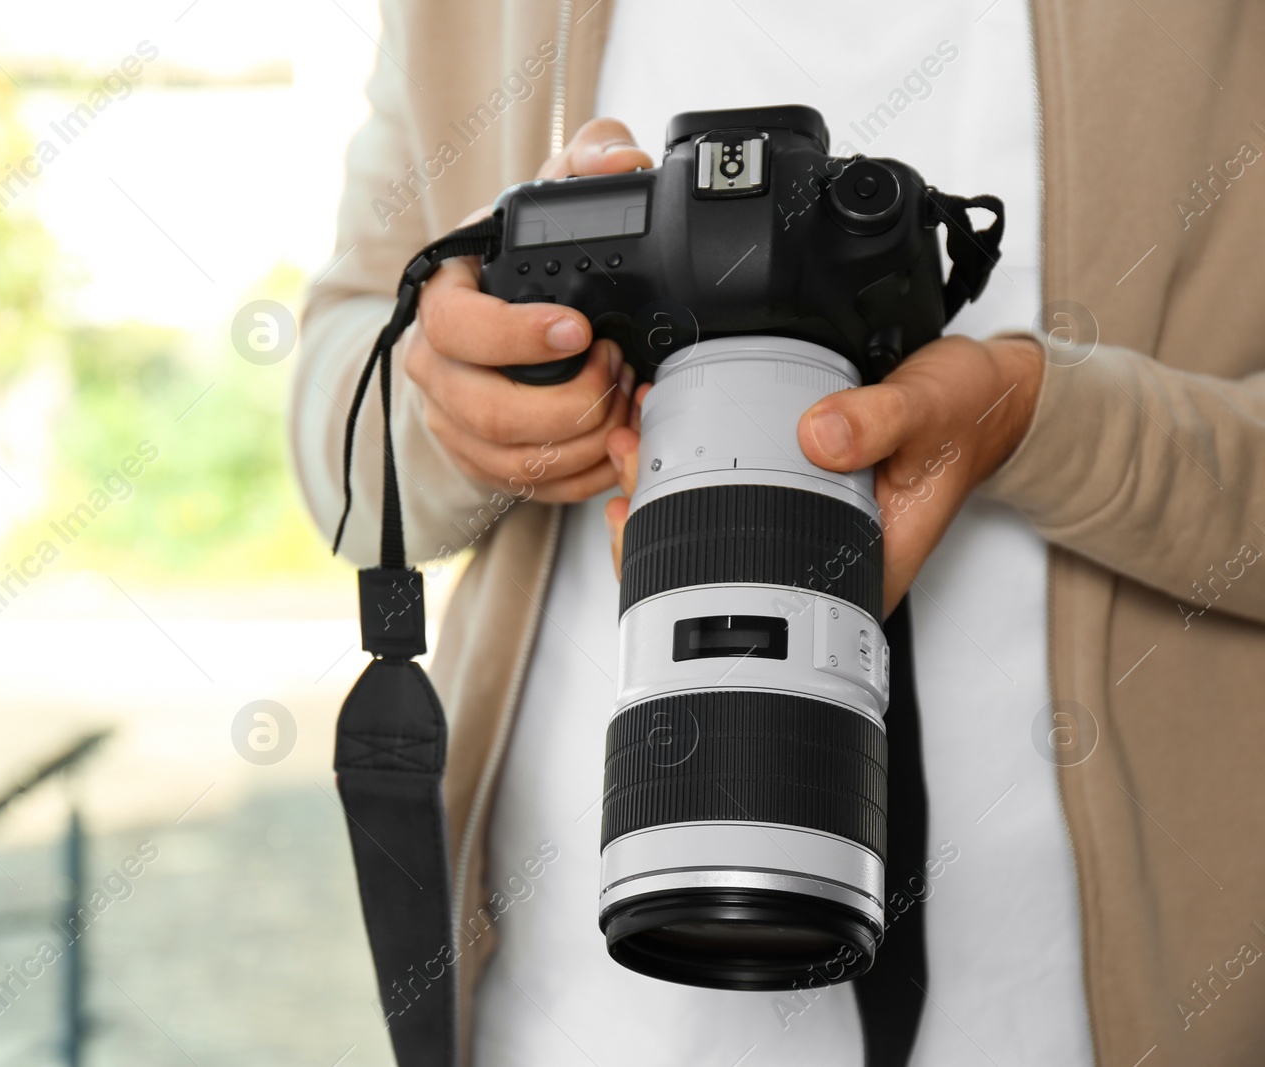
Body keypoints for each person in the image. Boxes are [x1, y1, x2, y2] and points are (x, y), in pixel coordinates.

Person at [290, 1, 1265, 1064]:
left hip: (1074, 1011)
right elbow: (342, 409)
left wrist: (1041, 416)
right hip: (568, 1007)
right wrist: (462, 404)